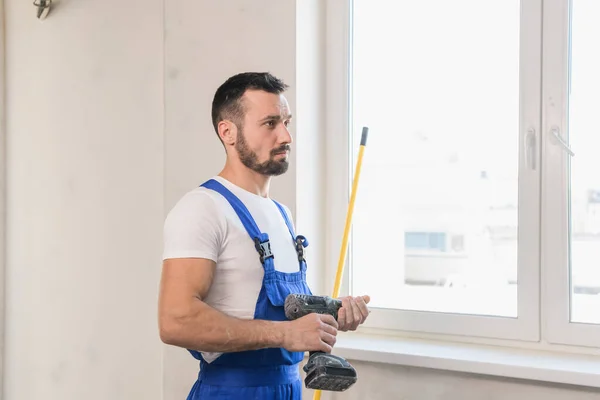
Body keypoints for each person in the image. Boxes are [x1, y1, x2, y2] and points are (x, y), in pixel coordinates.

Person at [158, 72, 370, 400]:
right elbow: (175, 321)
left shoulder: (282, 215)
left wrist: (329, 314)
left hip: (288, 389)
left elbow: (284, 311)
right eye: (270, 123)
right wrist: (286, 334)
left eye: (286, 122)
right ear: (228, 132)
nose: (286, 136)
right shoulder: (202, 208)